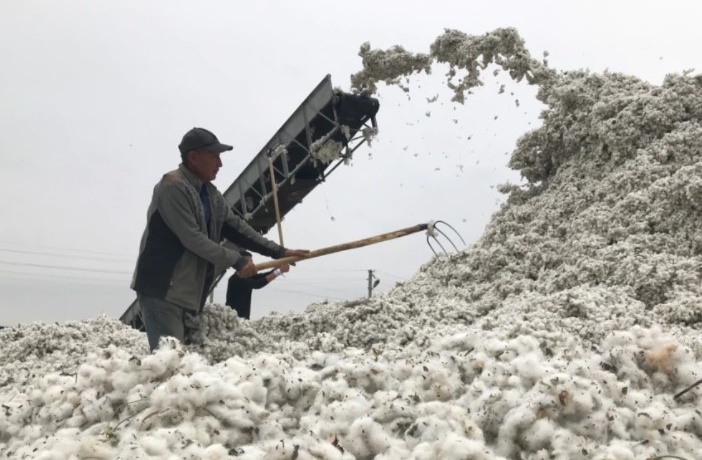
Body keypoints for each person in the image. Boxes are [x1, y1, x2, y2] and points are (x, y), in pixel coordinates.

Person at [131, 127, 309, 351]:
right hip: (162, 291)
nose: (220, 163)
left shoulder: (210, 195)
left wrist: (278, 252)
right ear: (194, 158)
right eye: (214, 156)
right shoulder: (172, 187)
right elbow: (193, 239)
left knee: (180, 366)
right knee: (169, 366)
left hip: (185, 295)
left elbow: (236, 228)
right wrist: (237, 260)